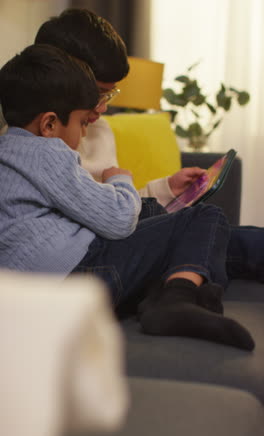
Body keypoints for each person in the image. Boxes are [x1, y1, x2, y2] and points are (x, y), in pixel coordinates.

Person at [0, 43, 254, 351]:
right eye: (81, 123)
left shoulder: (10, 152)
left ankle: (177, 290)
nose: (83, 135)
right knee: (205, 218)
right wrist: (119, 179)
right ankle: (177, 300)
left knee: (201, 233)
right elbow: (119, 220)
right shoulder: (45, 152)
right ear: (50, 123)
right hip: (79, 276)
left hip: (56, 279)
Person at [33, 7, 264, 285]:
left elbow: (113, 206)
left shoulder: (100, 131)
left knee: (232, 236)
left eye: (110, 93)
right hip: (102, 252)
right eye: (97, 92)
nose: (104, 106)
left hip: (125, 232)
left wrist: (166, 189)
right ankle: (179, 291)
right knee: (206, 224)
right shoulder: (36, 145)